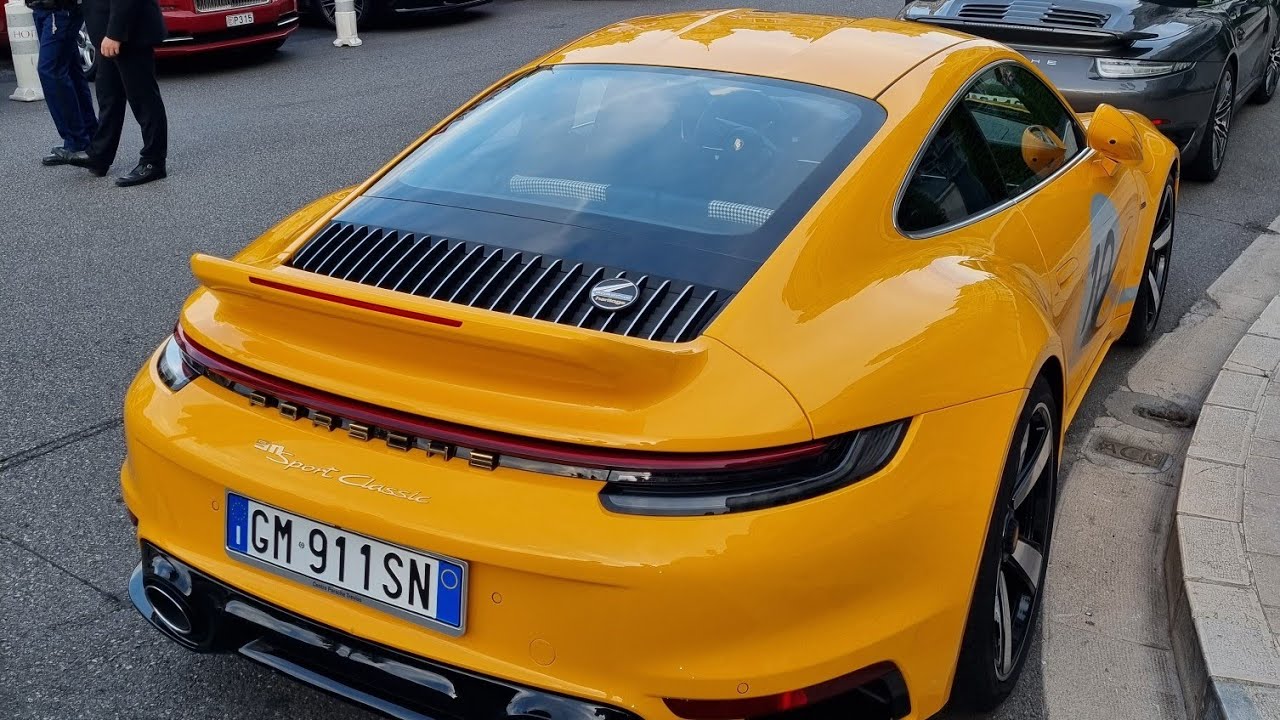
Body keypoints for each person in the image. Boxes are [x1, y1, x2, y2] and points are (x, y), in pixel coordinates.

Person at [66, 0, 168, 187]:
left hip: (128, 33)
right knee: (108, 97)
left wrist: (115, 33)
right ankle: (99, 155)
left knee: (143, 99)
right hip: (106, 33)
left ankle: (153, 161)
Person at [29, 0, 98, 166]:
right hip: (43, 8)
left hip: (60, 9)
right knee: (70, 71)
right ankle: (87, 137)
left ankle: (77, 140)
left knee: (51, 71)